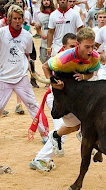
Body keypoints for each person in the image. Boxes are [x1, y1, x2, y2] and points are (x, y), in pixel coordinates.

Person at [29, 27, 100, 171]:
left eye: (92, 47)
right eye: (87, 47)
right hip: (56, 97)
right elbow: (45, 66)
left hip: (74, 98)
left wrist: (84, 77)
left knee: (76, 125)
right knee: (62, 130)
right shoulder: (63, 59)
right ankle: (40, 159)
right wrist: (54, 81)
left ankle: (80, 134)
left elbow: (92, 73)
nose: (90, 51)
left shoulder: (93, 57)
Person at [0, 5, 48, 144]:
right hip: (2, 77)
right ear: (10, 19)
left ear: (23, 19)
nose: (17, 21)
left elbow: (27, 54)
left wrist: (31, 69)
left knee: (32, 105)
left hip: (20, 77)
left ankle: (44, 134)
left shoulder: (27, 36)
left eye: (20, 18)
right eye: (15, 18)